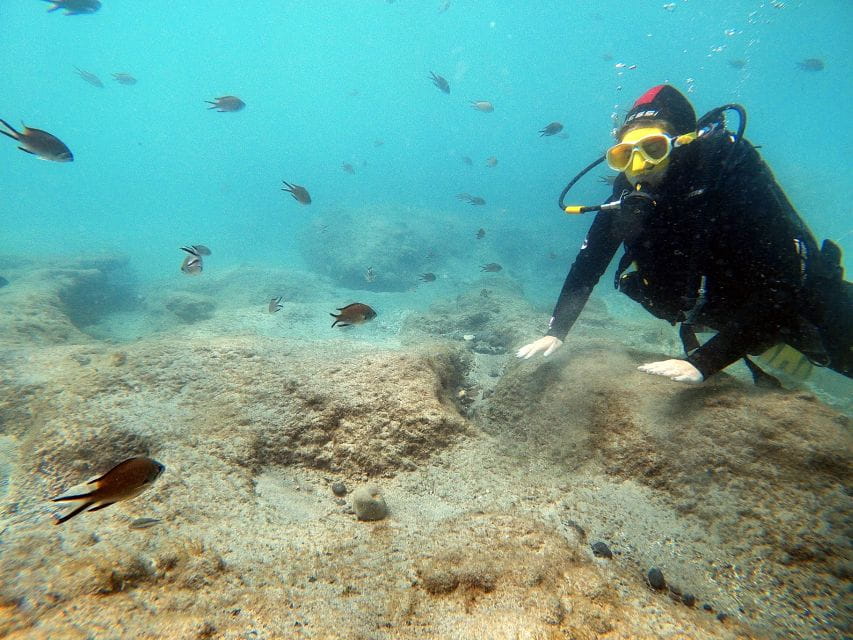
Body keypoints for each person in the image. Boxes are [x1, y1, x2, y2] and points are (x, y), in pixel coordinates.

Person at [517, 84, 852, 385]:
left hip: (803, 304)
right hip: (722, 314)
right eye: (624, 155)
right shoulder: (627, 196)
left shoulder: (726, 175)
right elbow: (588, 264)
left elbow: (782, 282)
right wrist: (557, 330)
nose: (639, 165)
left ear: (683, 143)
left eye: (653, 148)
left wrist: (705, 362)